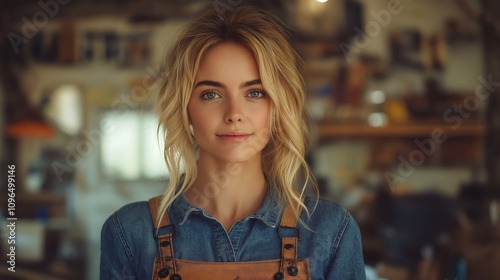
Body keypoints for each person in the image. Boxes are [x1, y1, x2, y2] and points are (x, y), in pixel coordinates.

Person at [100, 5, 365, 280]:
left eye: (255, 92)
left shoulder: (331, 231)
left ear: (278, 107)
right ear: (184, 107)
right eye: (211, 94)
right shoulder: (129, 232)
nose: (234, 114)